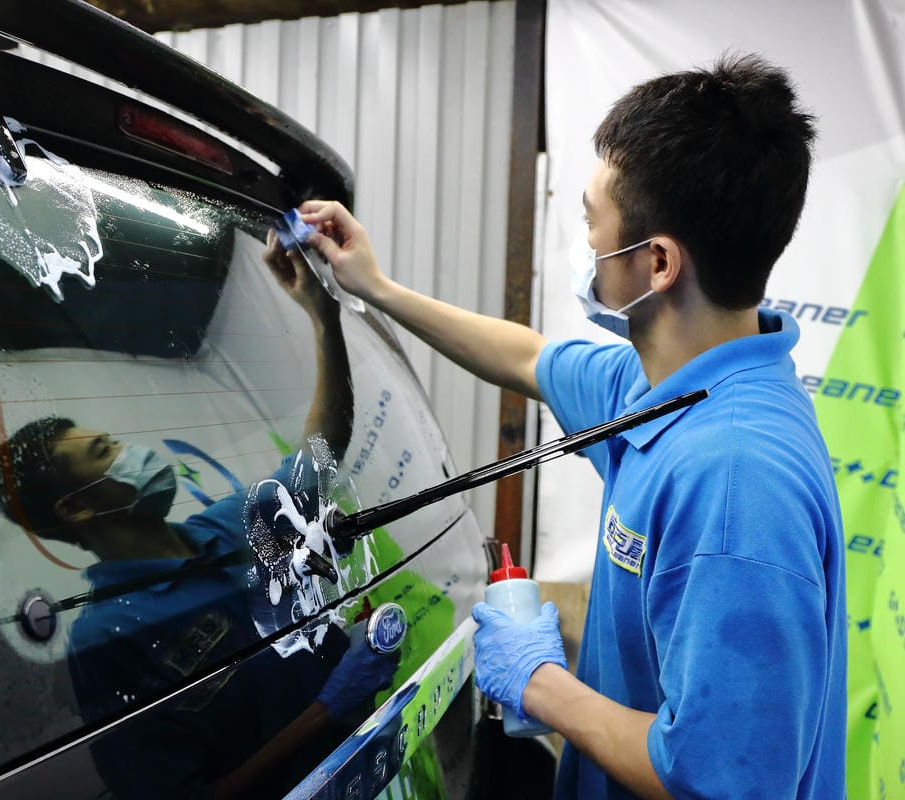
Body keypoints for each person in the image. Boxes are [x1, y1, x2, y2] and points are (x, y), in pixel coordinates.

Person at [298, 53, 845, 798]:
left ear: (656, 263)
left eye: (592, 221)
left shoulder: (733, 480)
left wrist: (539, 682)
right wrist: (376, 288)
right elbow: (526, 357)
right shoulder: (670, 389)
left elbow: (725, 785)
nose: (586, 244)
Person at [0, 230, 396, 799]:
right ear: (75, 507)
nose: (132, 454)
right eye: (106, 454)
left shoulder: (233, 523)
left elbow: (321, 452)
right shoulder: (108, 637)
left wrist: (324, 319)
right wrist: (326, 710)